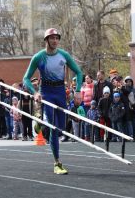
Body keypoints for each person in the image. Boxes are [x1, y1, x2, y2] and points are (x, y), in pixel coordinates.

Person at [23, 28, 83, 175]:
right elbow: (25, 79)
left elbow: (79, 72)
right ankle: (57, 162)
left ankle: (40, 123)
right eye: (52, 38)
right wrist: (35, 92)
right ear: (46, 40)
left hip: (60, 92)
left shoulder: (64, 55)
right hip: (47, 93)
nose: (55, 41)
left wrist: (78, 91)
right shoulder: (39, 57)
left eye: (57, 38)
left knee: (61, 128)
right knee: (54, 129)